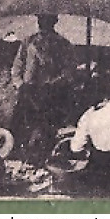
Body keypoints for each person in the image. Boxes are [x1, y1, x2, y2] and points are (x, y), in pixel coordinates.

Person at [10, 14, 75, 160]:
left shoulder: (63, 44)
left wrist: (53, 84)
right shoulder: (28, 42)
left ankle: (45, 156)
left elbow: (69, 71)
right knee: (20, 125)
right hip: (28, 91)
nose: (43, 24)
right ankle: (19, 156)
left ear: (54, 22)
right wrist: (20, 85)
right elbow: (17, 66)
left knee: (48, 127)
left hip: (52, 93)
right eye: (41, 21)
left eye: (48, 21)